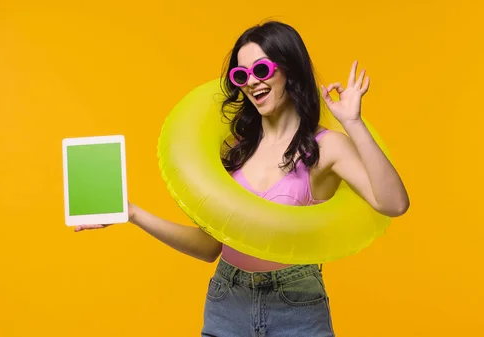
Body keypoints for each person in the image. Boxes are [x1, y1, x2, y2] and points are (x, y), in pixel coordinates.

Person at [75, 20, 409, 337]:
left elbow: (394, 203)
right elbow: (210, 247)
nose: (251, 81)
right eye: (241, 74)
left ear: (289, 70)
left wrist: (353, 122)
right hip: (227, 298)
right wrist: (132, 213)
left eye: (261, 69)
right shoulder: (236, 150)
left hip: (295, 301)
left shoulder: (325, 148)